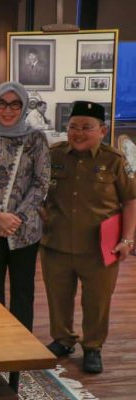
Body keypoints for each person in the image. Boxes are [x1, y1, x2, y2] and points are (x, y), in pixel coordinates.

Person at [42, 101, 136, 374]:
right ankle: (63, 339)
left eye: (86, 127)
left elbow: (131, 201)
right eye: (73, 127)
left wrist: (128, 240)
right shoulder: (54, 155)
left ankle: (93, 346)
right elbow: (38, 189)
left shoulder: (115, 160)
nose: (78, 133)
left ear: (102, 130)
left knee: (97, 301)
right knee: (58, 297)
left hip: (100, 248)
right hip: (56, 243)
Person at [0, 82, 50, 332]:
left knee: (23, 290)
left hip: (24, 230)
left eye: (14, 104)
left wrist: (16, 218)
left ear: (24, 106)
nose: (7, 110)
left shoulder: (36, 139)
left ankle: (22, 344)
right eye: (2, 104)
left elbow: (41, 182)